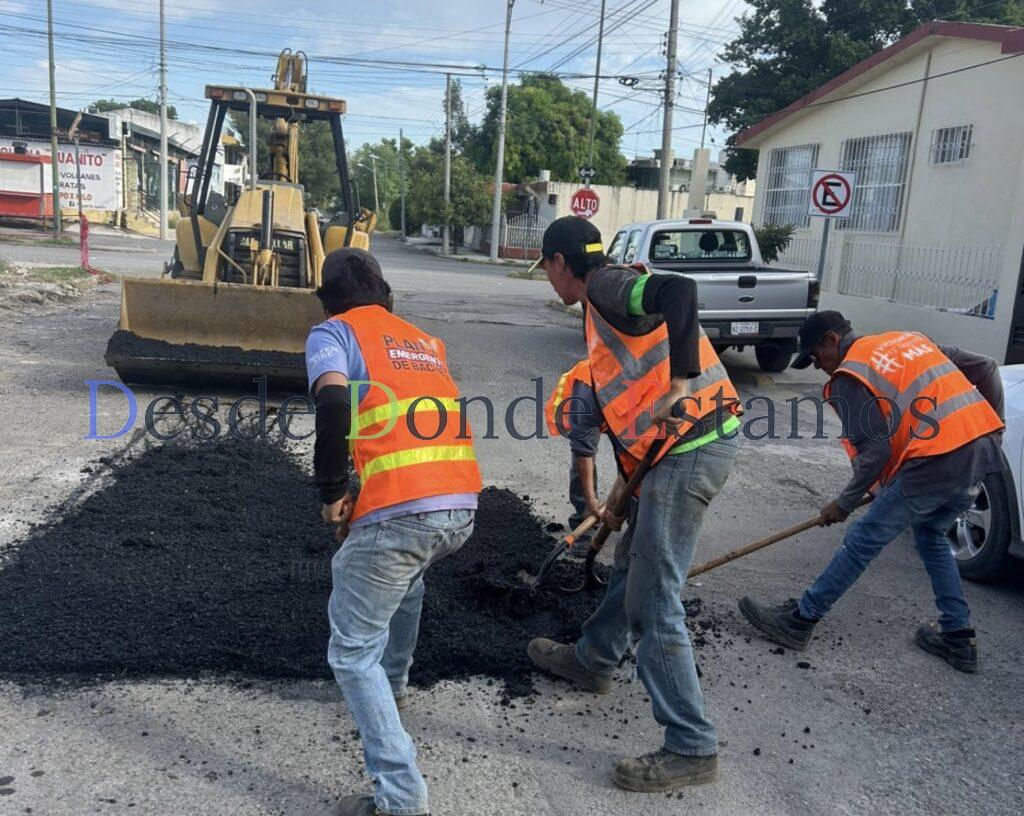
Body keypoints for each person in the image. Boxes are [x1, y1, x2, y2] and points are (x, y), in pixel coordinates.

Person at [528, 216, 743, 792]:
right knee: (631, 565)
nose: (548, 280)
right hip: (673, 452)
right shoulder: (601, 309)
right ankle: (594, 659)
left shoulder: (606, 285)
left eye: (546, 269)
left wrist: (681, 383)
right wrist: (619, 501)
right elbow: (630, 412)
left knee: (654, 595)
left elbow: (681, 291)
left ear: (557, 263)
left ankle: (691, 746)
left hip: (691, 443)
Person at [306, 248, 482, 816]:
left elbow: (334, 401)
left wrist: (333, 491)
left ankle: (402, 799)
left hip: (407, 512)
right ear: (385, 292)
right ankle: (397, 687)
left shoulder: (333, 333)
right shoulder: (423, 341)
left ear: (328, 301)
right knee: (409, 580)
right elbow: (403, 430)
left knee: (352, 651)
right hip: (460, 504)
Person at [739, 311, 1004, 674]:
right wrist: (994, 429)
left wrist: (844, 503)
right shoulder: (911, 340)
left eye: (817, 356)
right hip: (980, 453)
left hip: (937, 461)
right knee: (930, 535)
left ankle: (801, 619)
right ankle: (958, 636)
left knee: (863, 538)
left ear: (832, 339)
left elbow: (875, 451)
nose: (818, 367)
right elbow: (987, 367)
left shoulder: (853, 373)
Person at [545, 359, 604, 555]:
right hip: (584, 402)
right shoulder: (587, 385)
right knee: (583, 459)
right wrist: (591, 504)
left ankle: (632, 515)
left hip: (626, 402)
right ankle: (585, 525)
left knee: (634, 457)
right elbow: (584, 452)